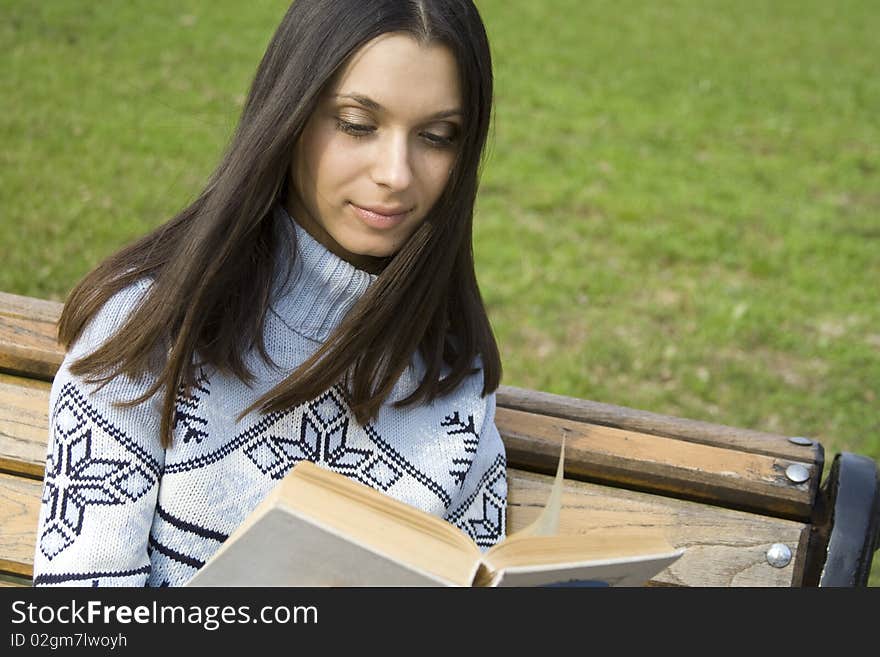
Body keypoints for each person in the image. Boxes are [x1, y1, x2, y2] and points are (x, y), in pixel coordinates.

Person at [32, 0, 507, 587]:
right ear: (289, 114)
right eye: (358, 124)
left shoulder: (454, 378)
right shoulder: (150, 333)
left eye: (437, 137)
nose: (397, 174)